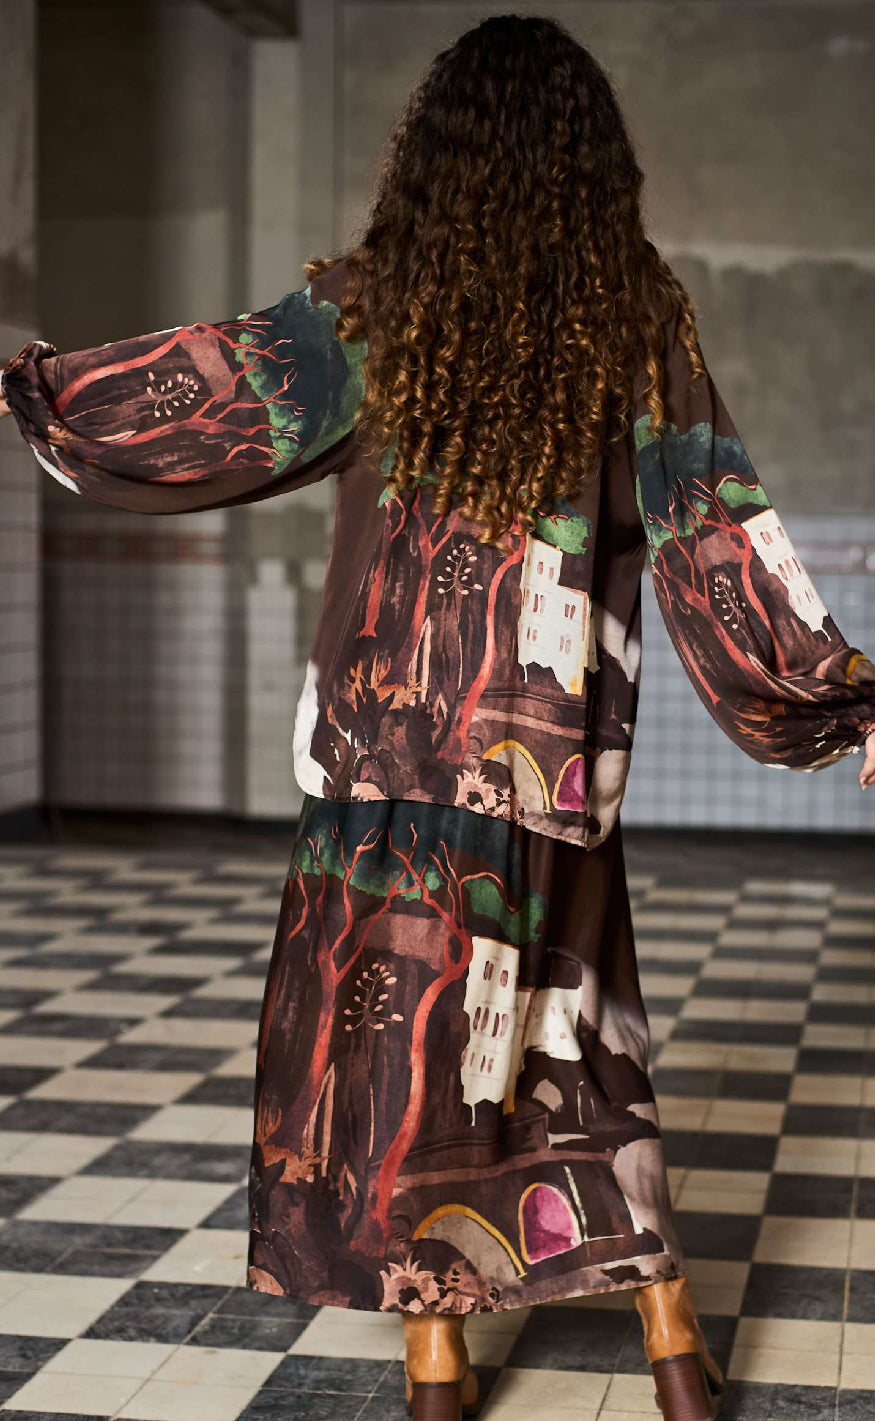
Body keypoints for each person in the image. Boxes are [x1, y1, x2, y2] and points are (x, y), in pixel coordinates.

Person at [2, 14, 873, 1421]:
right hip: (544, 758)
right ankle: (669, 1346)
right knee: (576, 1049)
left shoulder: (375, 305)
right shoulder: (632, 312)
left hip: (380, 749)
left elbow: (219, 394)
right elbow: (713, 515)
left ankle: (433, 1370)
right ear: (590, 162)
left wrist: (44, 392)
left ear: (435, 155)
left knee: (394, 1059)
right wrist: (831, 696)